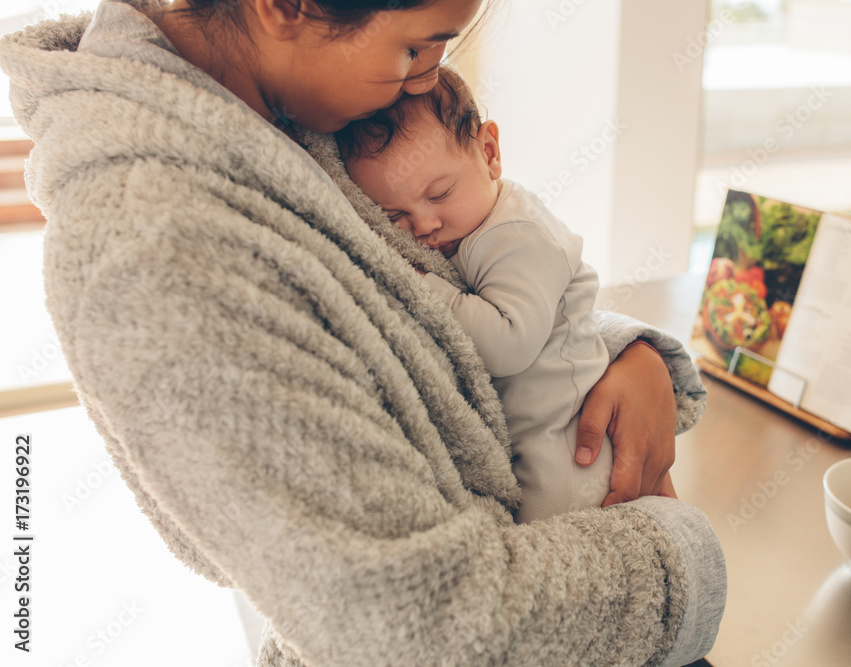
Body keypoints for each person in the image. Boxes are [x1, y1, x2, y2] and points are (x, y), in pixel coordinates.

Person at [0, 0, 725, 665]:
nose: (427, 79)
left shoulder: (274, 117)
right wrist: (681, 556)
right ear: (285, 7)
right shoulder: (160, 253)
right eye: (416, 47)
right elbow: (417, 625)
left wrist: (620, 352)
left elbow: (405, 328)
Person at [336, 65, 677, 524]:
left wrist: (422, 283)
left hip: (571, 442)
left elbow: (509, 344)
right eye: (393, 215)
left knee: (551, 530)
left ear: (490, 153)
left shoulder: (518, 234)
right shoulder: (467, 228)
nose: (423, 226)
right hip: (534, 433)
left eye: (440, 193)